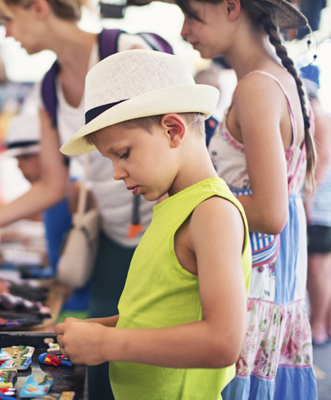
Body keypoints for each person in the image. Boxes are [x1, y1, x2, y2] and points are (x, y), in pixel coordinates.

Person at [0, 0, 157, 397]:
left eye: (7, 20)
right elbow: (51, 186)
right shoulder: (48, 89)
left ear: (38, 8)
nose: (5, 34)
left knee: (148, 365)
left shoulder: (129, 53)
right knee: (104, 373)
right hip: (111, 235)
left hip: (162, 234)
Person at [54, 49, 251, 399]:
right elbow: (161, 316)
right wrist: (97, 329)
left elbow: (222, 343)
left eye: (123, 153)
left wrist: (106, 343)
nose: (116, 173)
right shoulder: (172, 206)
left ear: (173, 130)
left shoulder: (212, 212)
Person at [177, 0, 318, 398]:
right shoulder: (275, 80)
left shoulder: (256, 86)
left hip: (256, 282)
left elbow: (270, 213)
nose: (184, 31)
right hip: (274, 278)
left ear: (230, 7)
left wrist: (188, 216)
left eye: (192, 16)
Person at [2, 112, 92, 315]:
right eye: (17, 158)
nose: (19, 165)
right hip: (64, 300)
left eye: (25, 156)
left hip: (78, 307)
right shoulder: (58, 196)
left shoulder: (73, 192)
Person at [301, 64, 331, 346]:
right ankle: (323, 323)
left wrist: (308, 199)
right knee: (320, 266)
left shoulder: (320, 118)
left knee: (317, 266)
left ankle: (319, 325)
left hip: (321, 209)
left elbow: (321, 165)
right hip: (321, 207)